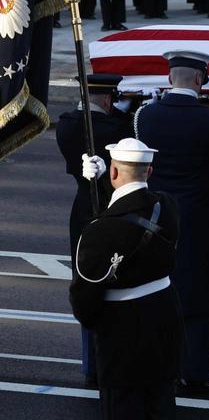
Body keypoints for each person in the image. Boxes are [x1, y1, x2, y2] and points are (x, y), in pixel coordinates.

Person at [134, 51, 209, 390]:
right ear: (199, 79)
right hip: (200, 221)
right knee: (198, 298)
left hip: (157, 220)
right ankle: (195, 371)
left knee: (157, 292)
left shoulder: (144, 117)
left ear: (170, 79)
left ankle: (157, 366)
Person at [70, 138, 182, 420]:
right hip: (165, 318)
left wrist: (89, 189)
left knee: (122, 408)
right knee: (161, 404)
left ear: (114, 172)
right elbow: (131, 206)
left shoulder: (100, 231)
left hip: (122, 332)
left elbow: (84, 299)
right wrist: (102, 185)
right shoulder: (168, 207)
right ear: (150, 172)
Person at [57, 73, 133, 388]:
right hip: (109, 212)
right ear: (106, 99)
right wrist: (134, 110)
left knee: (87, 286)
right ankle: (111, 362)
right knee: (115, 289)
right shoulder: (115, 128)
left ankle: (92, 364)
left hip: (81, 213)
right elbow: (126, 133)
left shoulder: (66, 124)